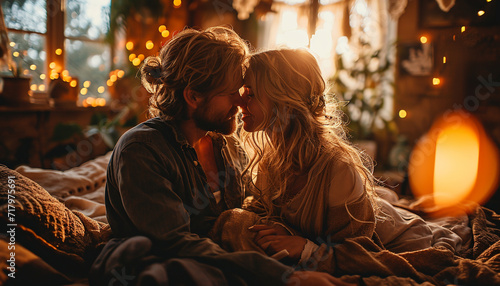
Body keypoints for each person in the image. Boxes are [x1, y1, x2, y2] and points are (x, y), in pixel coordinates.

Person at [91, 27, 347, 286]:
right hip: (179, 260)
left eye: (243, 90)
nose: (241, 102)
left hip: (229, 258)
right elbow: (176, 243)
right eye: (231, 93)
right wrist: (287, 277)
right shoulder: (141, 150)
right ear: (193, 96)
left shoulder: (227, 143)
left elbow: (247, 211)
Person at [225, 48, 435, 268]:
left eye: (250, 93)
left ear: (283, 100)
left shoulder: (338, 168)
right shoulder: (271, 158)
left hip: (402, 238)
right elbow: (264, 214)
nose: (239, 102)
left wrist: (306, 248)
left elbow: (359, 252)